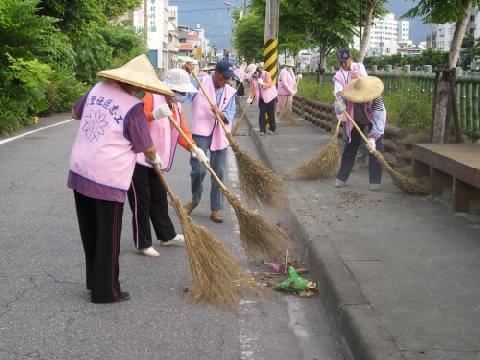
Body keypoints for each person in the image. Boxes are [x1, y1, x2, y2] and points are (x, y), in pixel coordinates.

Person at [67, 55, 173, 303]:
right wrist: (155, 159)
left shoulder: (97, 89)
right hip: (107, 177)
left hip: (81, 169)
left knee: (90, 230)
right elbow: (144, 145)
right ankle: (106, 291)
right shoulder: (132, 107)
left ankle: (95, 282)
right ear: (137, 85)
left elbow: (75, 113)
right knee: (109, 234)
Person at [127, 69, 208, 257]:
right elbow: (134, 120)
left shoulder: (176, 106)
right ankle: (142, 242)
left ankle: (166, 235)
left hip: (157, 161)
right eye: (180, 92)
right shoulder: (151, 98)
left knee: (159, 198)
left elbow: (183, 132)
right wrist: (153, 115)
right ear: (168, 88)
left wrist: (195, 149)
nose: (182, 96)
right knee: (142, 201)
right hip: (139, 158)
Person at [183, 60, 237, 223]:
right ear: (217, 73)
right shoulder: (200, 83)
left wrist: (219, 113)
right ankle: (194, 201)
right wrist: (187, 74)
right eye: (224, 77)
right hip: (201, 131)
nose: (226, 81)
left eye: (228, 78)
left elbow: (230, 114)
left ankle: (216, 208)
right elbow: (185, 94)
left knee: (218, 172)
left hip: (220, 133)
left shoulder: (230, 91)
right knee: (198, 169)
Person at [334, 76, 386, 191]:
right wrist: (338, 107)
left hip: (373, 120)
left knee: (375, 148)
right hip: (356, 119)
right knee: (350, 145)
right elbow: (338, 103)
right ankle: (342, 177)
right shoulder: (349, 95)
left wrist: (372, 138)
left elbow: (379, 124)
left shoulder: (376, 100)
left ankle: (375, 180)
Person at [333, 48, 369, 167]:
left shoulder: (359, 67)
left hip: (362, 107)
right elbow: (338, 91)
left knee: (363, 134)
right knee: (347, 136)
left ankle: (361, 158)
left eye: (345, 61)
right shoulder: (338, 75)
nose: (343, 64)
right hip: (348, 108)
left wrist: (358, 78)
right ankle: (348, 162)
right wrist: (339, 98)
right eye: (341, 62)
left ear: (350, 58)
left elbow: (366, 82)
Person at [247, 66, 278, 135]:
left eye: (253, 73)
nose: (253, 75)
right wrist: (250, 99)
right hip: (261, 98)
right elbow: (252, 90)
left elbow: (270, 84)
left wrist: (262, 83)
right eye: (252, 74)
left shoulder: (266, 74)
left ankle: (272, 129)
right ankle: (262, 130)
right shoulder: (252, 79)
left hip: (270, 97)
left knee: (270, 113)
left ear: (256, 70)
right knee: (262, 113)